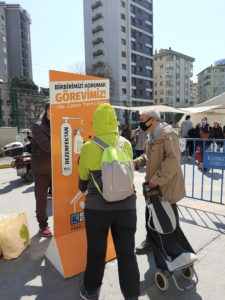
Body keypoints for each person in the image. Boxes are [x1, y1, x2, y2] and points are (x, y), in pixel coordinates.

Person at [78, 103, 140, 300]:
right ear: (114, 121)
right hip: (127, 207)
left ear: (96, 123)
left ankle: (91, 290)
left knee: (96, 252)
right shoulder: (126, 144)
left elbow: (82, 180)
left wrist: (84, 186)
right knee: (127, 253)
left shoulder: (89, 147)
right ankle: (131, 294)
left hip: (97, 210)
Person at [134, 109, 185, 255]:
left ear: (152, 120)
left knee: (169, 219)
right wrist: (136, 163)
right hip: (153, 187)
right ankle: (151, 241)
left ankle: (174, 249)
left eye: (142, 119)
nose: (141, 123)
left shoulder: (168, 135)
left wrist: (157, 179)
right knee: (150, 214)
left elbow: (173, 160)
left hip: (166, 187)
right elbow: (147, 156)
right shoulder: (152, 135)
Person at [31, 103, 52, 237]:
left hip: (58, 168)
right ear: (46, 111)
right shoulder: (37, 126)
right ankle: (43, 225)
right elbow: (47, 146)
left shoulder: (61, 124)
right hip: (42, 169)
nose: (54, 113)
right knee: (41, 199)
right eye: (51, 110)